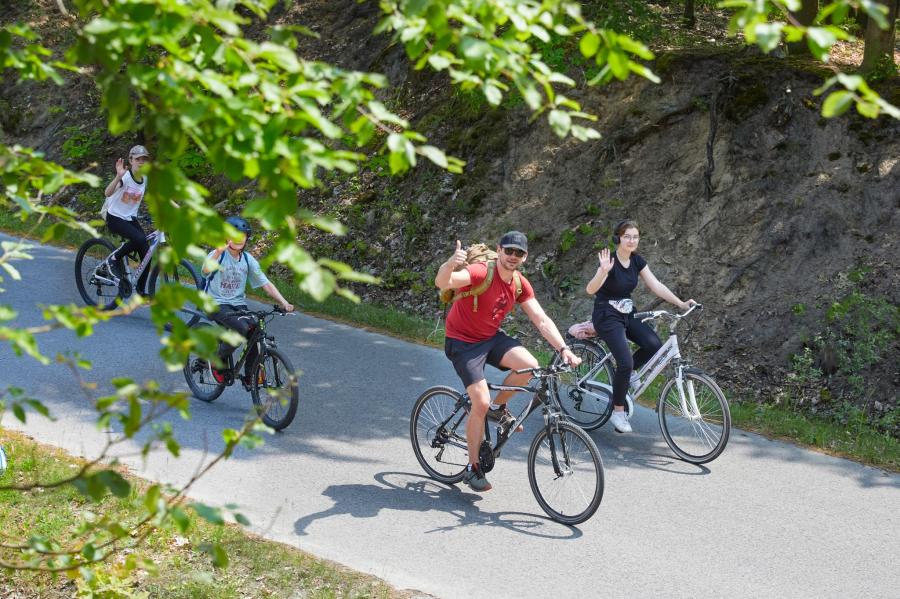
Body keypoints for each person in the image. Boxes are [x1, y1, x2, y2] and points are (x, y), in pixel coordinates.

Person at [435, 231, 581, 492]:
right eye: (509, 251)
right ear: (499, 250)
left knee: (531, 367)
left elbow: (541, 319)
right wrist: (449, 264)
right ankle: (472, 467)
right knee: (479, 402)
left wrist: (564, 349)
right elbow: (443, 281)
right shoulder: (481, 272)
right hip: (462, 342)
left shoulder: (519, 284)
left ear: (525, 257)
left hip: (489, 337)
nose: (513, 256)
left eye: (519, 253)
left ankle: (497, 408)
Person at [586, 219, 697, 433]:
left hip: (627, 312)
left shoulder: (637, 261)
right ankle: (618, 412)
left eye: (635, 237)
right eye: (627, 236)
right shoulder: (609, 260)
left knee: (653, 344)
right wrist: (602, 271)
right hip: (607, 315)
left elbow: (656, 285)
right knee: (625, 361)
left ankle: (627, 374)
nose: (631, 240)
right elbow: (590, 290)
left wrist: (681, 303)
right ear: (618, 238)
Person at [202, 216, 294, 385]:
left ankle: (250, 376)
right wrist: (217, 252)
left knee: (254, 330)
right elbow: (206, 270)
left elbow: (266, 284)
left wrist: (284, 302)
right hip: (215, 302)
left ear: (246, 238)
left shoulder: (247, 259)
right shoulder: (218, 255)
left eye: (242, 236)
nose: (238, 239)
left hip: (238, 304)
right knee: (242, 328)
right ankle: (216, 359)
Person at [102, 144, 152, 294]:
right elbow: (107, 193)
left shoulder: (145, 179)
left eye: (144, 159)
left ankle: (141, 291)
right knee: (140, 239)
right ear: (131, 160)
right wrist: (118, 176)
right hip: (114, 217)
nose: (141, 162)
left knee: (147, 253)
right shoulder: (126, 177)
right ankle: (113, 259)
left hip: (130, 218)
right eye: (138, 159)